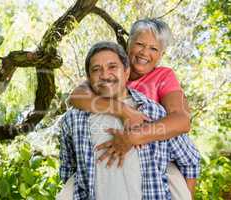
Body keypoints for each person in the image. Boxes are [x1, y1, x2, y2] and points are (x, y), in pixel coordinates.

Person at [69, 18, 197, 195]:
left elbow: (182, 121)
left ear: (161, 54)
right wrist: (124, 111)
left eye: (153, 48)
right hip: (110, 161)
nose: (144, 52)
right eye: (139, 44)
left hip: (154, 156)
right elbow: (76, 96)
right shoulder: (113, 68)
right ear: (128, 43)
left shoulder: (164, 76)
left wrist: (133, 137)